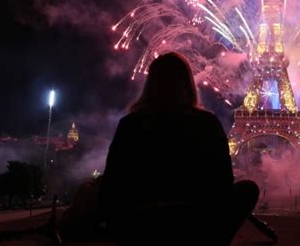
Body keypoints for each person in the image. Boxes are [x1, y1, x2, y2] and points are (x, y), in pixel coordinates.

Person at [100, 52, 259, 245]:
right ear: (187, 84)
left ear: (151, 84)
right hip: (195, 221)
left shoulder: (130, 124)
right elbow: (223, 182)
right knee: (248, 190)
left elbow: (112, 182)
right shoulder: (207, 123)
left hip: (142, 223)